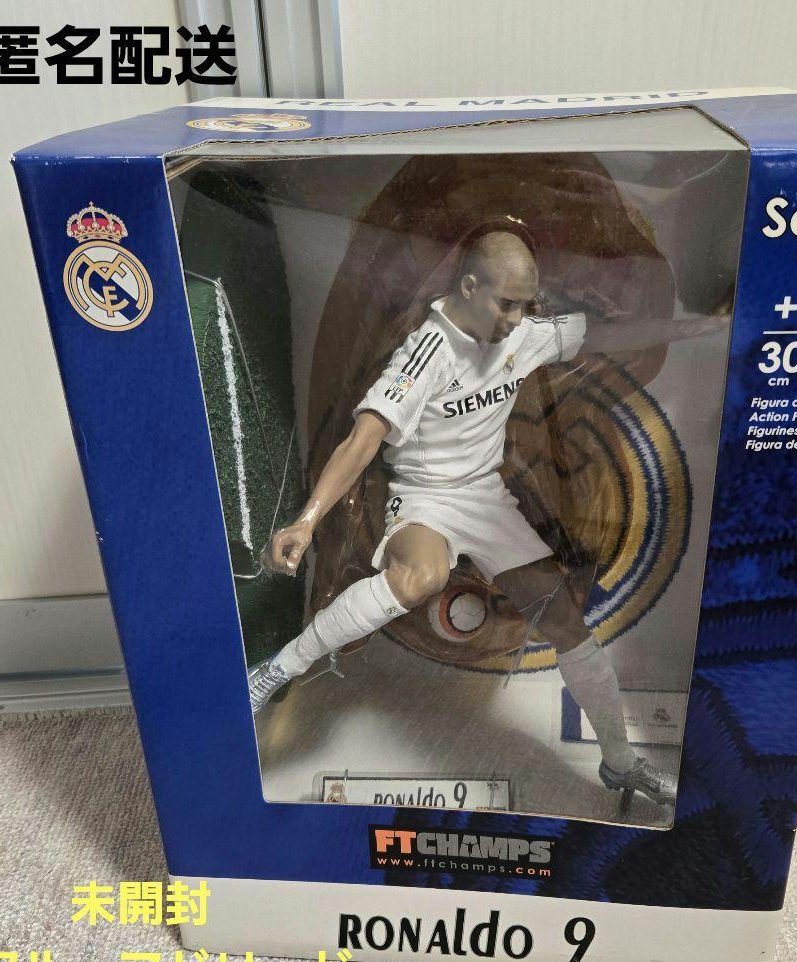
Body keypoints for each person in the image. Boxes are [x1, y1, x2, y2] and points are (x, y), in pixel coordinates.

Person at [249, 230, 719, 807]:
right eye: (507, 303)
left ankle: (620, 764)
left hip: (486, 498)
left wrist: (697, 327)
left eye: (526, 304)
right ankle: (277, 670)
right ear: (470, 287)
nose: (517, 318)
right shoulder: (426, 353)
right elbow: (361, 440)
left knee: (568, 625)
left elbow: (606, 334)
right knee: (422, 578)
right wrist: (307, 521)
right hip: (424, 498)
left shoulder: (523, 335)